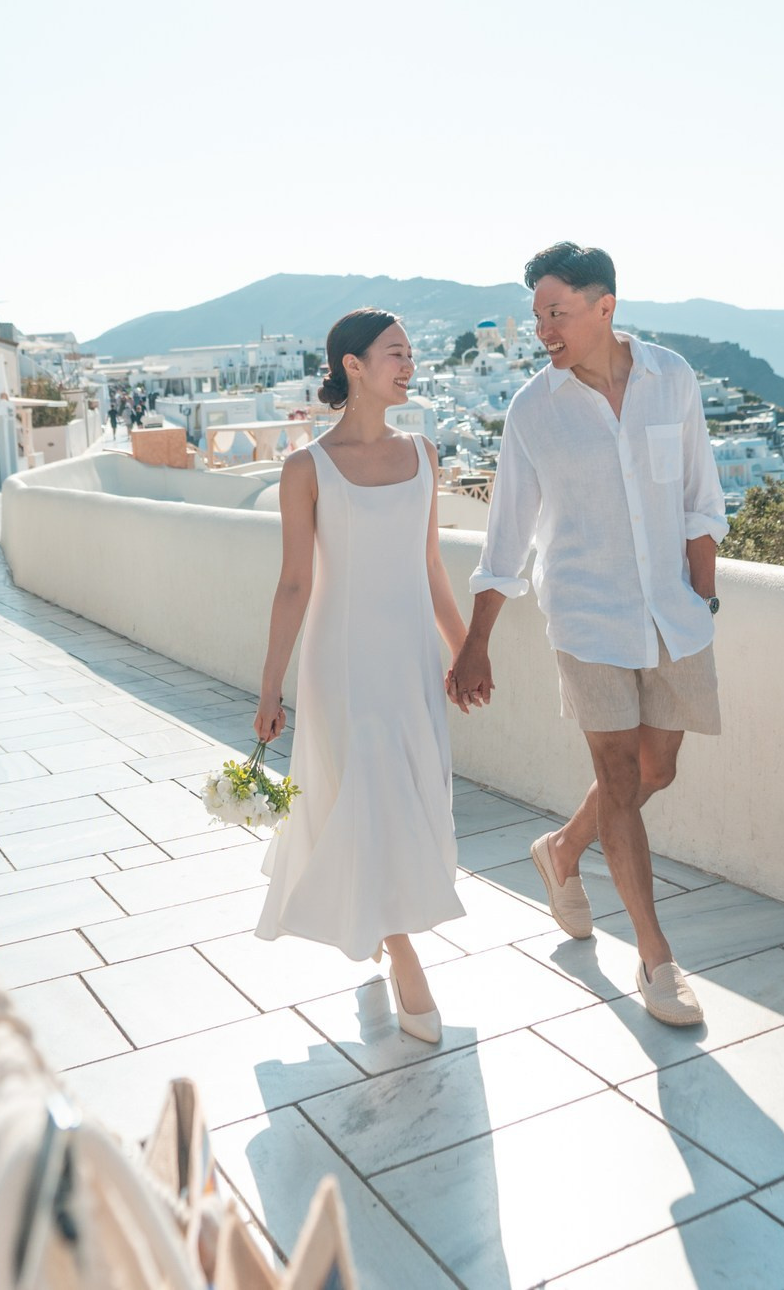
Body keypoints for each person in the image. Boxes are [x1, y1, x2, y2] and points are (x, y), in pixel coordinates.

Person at [449, 242, 726, 1027]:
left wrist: (702, 594)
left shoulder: (672, 378)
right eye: (537, 314)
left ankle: (563, 849)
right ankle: (656, 960)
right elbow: (507, 533)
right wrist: (478, 640)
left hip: (674, 613)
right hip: (586, 617)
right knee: (617, 773)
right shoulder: (534, 410)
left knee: (652, 771)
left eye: (556, 311)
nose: (543, 328)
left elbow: (702, 495)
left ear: (605, 306)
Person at [252, 308, 467, 1042]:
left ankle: (378, 915)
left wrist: (465, 649)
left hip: (410, 657)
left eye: (410, 354)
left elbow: (431, 563)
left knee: (415, 791)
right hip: (341, 665)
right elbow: (292, 584)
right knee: (368, 792)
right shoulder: (304, 468)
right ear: (352, 364)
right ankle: (405, 955)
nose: (408, 365)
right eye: (395, 353)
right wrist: (269, 686)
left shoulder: (425, 454)